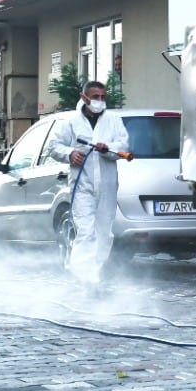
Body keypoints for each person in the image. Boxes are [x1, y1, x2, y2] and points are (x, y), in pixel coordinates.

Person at [46, 81, 130, 289]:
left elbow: (123, 146)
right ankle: (86, 280)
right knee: (86, 232)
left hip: (108, 187)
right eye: (95, 97)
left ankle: (94, 271)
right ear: (84, 98)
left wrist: (107, 148)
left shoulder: (113, 121)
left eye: (102, 97)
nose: (100, 101)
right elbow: (54, 146)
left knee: (104, 233)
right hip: (82, 186)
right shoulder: (72, 122)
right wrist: (70, 153)